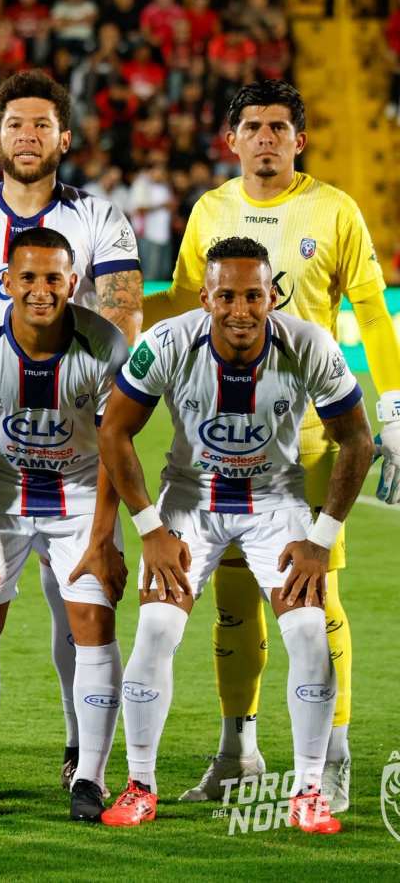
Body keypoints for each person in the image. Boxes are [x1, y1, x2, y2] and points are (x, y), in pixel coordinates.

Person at [141, 80, 400, 811]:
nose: (265, 137)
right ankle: (238, 753)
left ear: (299, 140)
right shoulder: (210, 211)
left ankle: (334, 758)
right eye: (251, 126)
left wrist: (392, 408)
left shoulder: (334, 210)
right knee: (231, 604)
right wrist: (116, 319)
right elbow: (184, 304)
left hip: (309, 442)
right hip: (221, 445)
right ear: (231, 140)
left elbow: (372, 313)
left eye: (278, 127)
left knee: (315, 596)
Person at [0, 69, 143, 792]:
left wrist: (90, 385)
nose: (29, 136)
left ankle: (80, 750)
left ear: (64, 139)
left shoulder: (100, 218)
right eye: (16, 124)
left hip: (74, 442)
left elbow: (123, 321)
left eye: (43, 124)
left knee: (78, 607)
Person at [97, 236, 374, 833]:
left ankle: (308, 791)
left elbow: (357, 439)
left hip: (276, 503)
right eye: (227, 296)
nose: (241, 310)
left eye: (253, 295)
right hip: (191, 500)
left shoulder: (309, 344)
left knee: (309, 634)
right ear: (205, 297)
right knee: (156, 629)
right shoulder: (167, 342)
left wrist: (322, 537)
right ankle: (140, 785)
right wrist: (149, 528)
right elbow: (114, 431)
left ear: (273, 296)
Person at [0, 228, 128, 821]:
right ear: (7, 281)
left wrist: (102, 537)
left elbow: (116, 445)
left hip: (79, 494)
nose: (41, 290)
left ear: (73, 282)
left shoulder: (105, 345)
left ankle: (90, 779)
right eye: (28, 277)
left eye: (53, 278)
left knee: (93, 620)